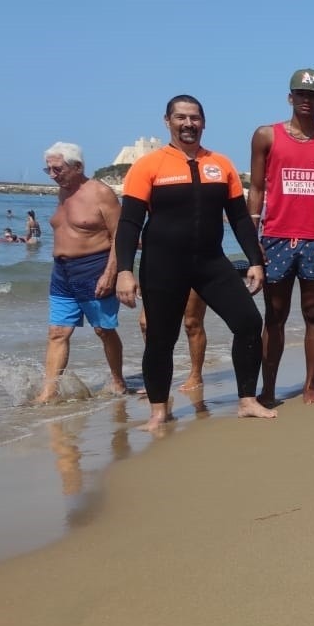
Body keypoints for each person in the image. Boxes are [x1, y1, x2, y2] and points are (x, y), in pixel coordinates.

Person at [114, 95, 272, 430]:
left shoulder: (221, 164)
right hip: (162, 264)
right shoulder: (149, 165)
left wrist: (255, 261)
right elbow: (129, 223)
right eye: (181, 117)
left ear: (203, 121)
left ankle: (246, 400)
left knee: (247, 322)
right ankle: (159, 411)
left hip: (211, 261)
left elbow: (240, 219)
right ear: (167, 121)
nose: (188, 124)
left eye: (194, 118)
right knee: (161, 338)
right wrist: (124, 271)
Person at [249, 69, 314, 405]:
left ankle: (310, 385)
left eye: (312, 95)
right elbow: (255, 188)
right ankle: (268, 387)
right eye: (300, 94)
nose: (306, 100)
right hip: (275, 237)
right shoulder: (266, 135)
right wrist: (250, 236)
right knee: (275, 315)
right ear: (290, 98)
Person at [35, 142, 127, 403]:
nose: (53, 174)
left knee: (103, 330)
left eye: (58, 168)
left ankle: (118, 380)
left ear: (78, 167)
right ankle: (48, 392)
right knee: (57, 333)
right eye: (48, 169)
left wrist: (112, 273)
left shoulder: (100, 193)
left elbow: (120, 235)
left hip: (93, 268)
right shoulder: (62, 193)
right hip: (62, 273)